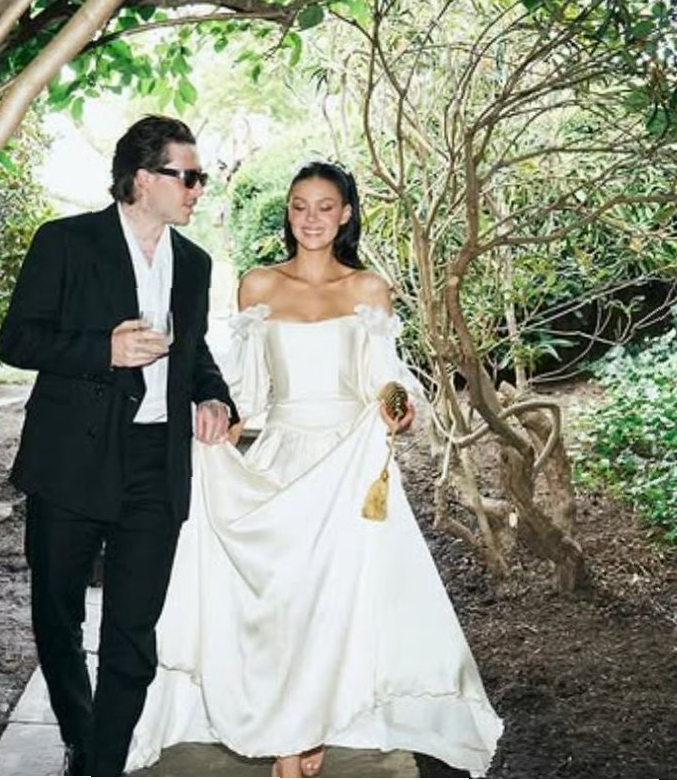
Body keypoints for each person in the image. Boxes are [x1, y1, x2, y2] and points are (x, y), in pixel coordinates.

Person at [125, 162, 503, 777]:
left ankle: (305, 733)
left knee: (337, 605)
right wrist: (216, 431)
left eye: (325, 207)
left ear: (346, 214)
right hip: (283, 461)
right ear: (288, 212)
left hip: (349, 466)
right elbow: (248, 389)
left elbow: (385, 382)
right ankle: (292, 734)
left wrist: (399, 409)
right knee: (285, 603)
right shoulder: (258, 285)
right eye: (300, 206)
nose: (311, 218)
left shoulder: (368, 289)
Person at [0, 115, 237, 776]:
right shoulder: (66, 242)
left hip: (156, 464)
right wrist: (102, 350)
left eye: (200, 178)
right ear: (142, 178)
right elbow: (16, 340)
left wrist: (213, 396)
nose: (198, 189)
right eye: (187, 176)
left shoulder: (195, 264)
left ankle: (101, 765)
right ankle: (81, 734)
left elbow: (194, 351)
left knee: (132, 632)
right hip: (70, 458)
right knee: (58, 614)